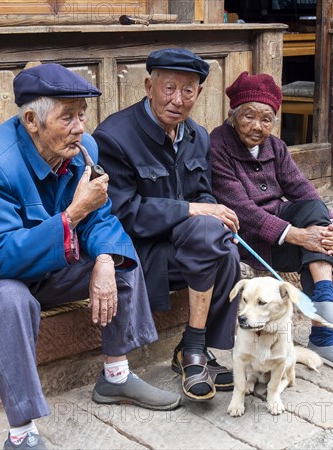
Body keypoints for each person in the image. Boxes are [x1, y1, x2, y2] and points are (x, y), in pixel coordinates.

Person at [0, 63, 180, 450]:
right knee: (11, 298)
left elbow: (100, 217)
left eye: (82, 115)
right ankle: (21, 433)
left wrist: (104, 258)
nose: (80, 127)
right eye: (68, 117)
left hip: (40, 260)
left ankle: (116, 376)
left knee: (120, 258)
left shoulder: (82, 150)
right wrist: (72, 214)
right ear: (31, 120)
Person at [94, 48, 241, 401]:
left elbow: (204, 194)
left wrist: (211, 212)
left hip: (188, 248)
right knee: (210, 238)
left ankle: (194, 347)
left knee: (226, 248)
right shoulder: (115, 136)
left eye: (188, 90)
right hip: (141, 252)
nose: (178, 99)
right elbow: (123, 211)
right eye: (169, 88)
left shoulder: (198, 136)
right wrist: (192, 210)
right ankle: (193, 351)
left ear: (199, 94)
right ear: (148, 86)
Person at [209, 71, 333, 372]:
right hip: (247, 236)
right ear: (233, 116)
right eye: (249, 116)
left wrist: (329, 227)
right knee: (309, 241)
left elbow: (304, 190)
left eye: (266, 119)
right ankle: (325, 331)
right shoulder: (218, 146)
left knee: (314, 212)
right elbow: (241, 209)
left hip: (279, 229)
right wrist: (296, 234)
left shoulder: (275, 147)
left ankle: (323, 312)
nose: (257, 126)